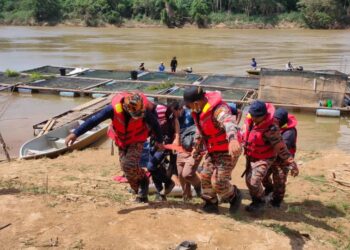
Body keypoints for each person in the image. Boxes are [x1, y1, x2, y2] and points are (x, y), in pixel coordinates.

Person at [65, 92, 163, 203]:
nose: (137, 117)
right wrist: (75, 133)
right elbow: (93, 120)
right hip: (121, 140)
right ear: (126, 108)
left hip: (137, 139)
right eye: (134, 115)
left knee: (128, 164)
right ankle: (141, 191)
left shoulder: (142, 109)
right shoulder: (112, 109)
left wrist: (159, 141)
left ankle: (143, 182)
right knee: (126, 170)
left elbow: (155, 124)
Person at [183, 86, 242, 214]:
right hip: (213, 150)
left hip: (228, 150)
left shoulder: (218, 109)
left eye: (189, 106)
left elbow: (229, 122)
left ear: (196, 103)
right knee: (205, 177)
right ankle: (211, 203)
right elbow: (201, 131)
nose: (188, 109)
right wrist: (196, 148)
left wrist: (232, 139)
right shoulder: (199, 112)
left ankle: (234, 196)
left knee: (219, 181)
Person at [241, 100, 298, 213]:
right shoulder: (252, 121)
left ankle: (273, 201)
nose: (253, 119)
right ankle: (259, 198)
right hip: (253, 155)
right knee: (249, 181)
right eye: (252, 116)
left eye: (256, 117)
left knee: (277, 180)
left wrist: (291, 163)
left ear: (263, 115)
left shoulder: (279, 130)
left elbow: (282, 147)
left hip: (269, 157)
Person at [262, 108, 298, 207]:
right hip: (270, 156)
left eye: (277, 121)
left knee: (280, 181)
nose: (274, 122)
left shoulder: (289, 132)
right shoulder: (271, 127)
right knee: (263, 175)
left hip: (283, 159)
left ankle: (277, 200)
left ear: (282, 122)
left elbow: (283, 148)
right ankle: (269, 189)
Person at [146, 102, 177, 201]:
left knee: (151, 166)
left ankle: (169, 183)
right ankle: (160, 193)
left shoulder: (163, 109)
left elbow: (175, 122)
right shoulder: (143, 112)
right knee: (155, 168)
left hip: (165, 142)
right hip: (153, 142)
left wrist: (177, 138)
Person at [172, 102, 201, 201]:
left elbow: (199, 129)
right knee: (181, 173)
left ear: (180, 109)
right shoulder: (174, 117)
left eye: (176, 112)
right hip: (181, 147)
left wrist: (195, 147)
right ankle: (187, 196)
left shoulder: (191, 114)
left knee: (187, 173)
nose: (175, 114)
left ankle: (200, 188)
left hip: (192, 148)